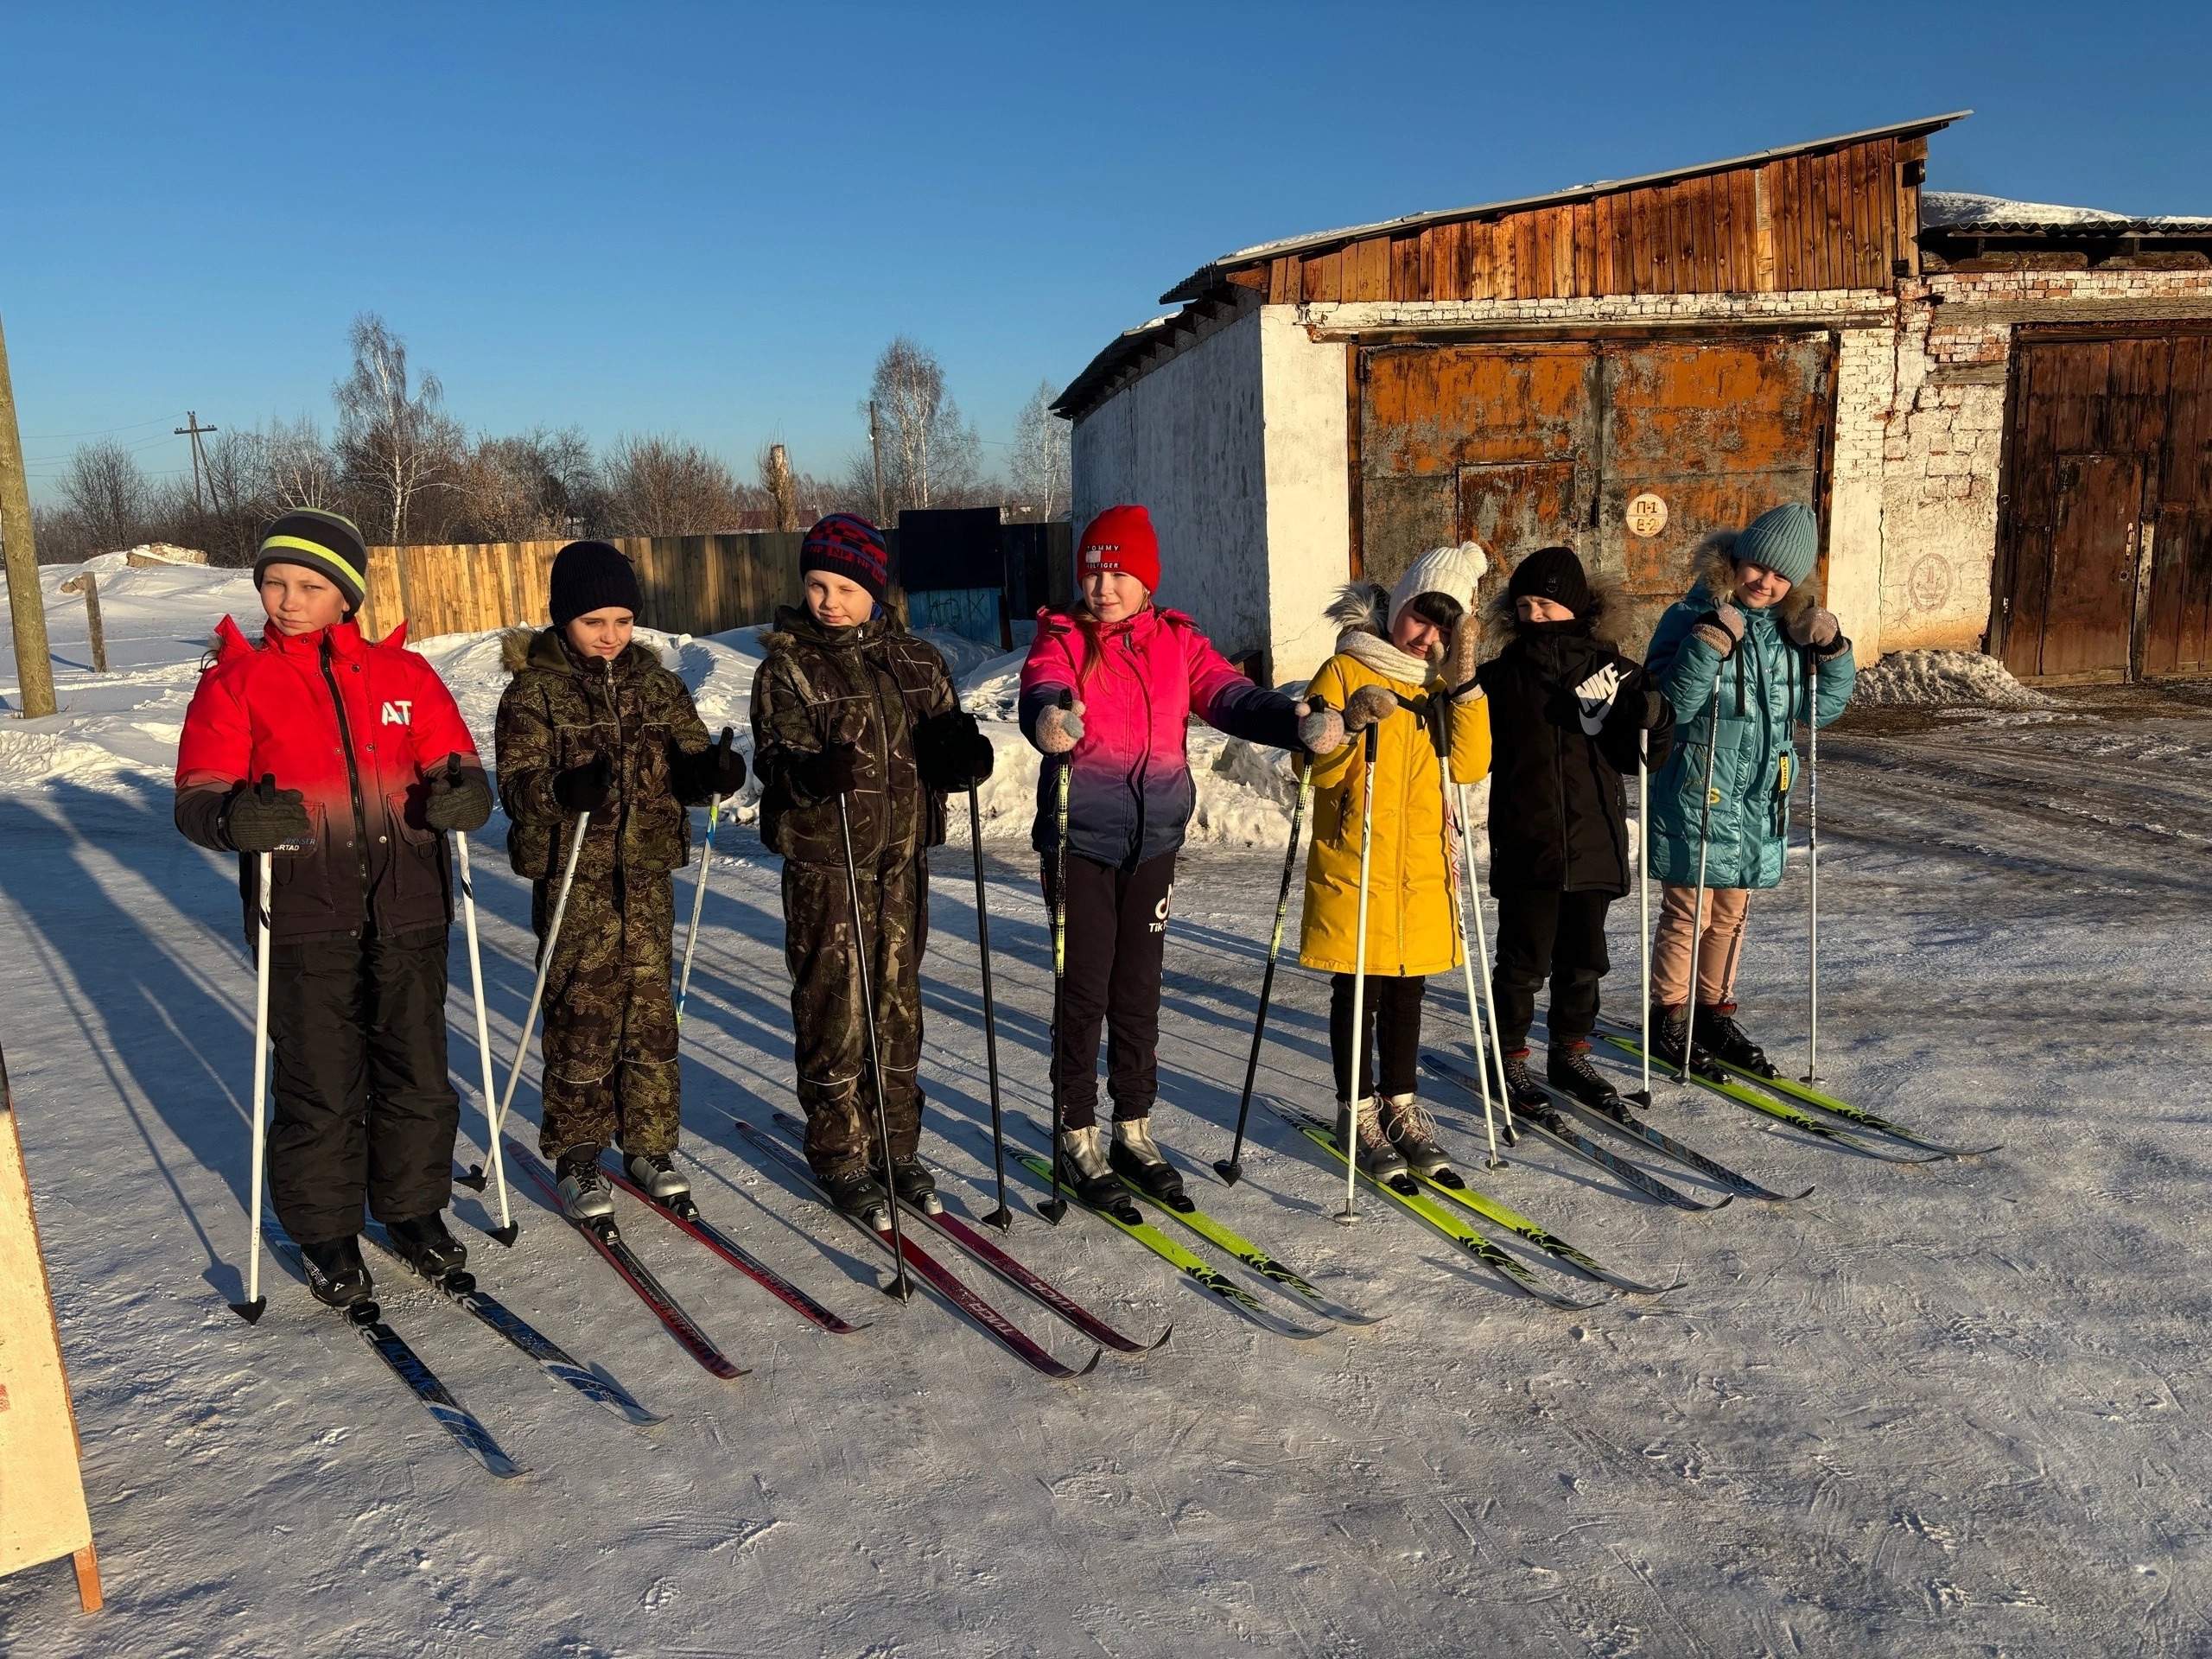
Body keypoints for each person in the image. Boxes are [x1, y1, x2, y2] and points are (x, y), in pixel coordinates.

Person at [175, 510, 492, 1306]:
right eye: (274, 583)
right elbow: (197, 795)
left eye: (310, 586)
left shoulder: (405, 677)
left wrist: (463, 794)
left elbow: (456, 762)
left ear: (346, 596)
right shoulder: (238, 681)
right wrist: (232, 818)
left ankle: (414, 1210)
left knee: (416, 1069)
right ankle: (325, 1229)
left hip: (410, 904)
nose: (288, 600)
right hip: (303, 913)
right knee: (321, 1079)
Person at [1019, 504, 1311, 1208]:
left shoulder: (1176, 642)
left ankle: (1132, 1124)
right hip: (1079, 841)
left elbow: (1229, 695)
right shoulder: (1062, 636)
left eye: (1119, 572)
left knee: (1138, 992)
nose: (1103, 586)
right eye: (1093, 571)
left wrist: (1294, 722)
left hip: (1153, 843)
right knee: (1085, 991)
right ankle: (1077, 1128)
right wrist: (1050, 718)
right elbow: (1042, 686)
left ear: (1147, 577)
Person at [749, 514, 993, 1223]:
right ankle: (841, 1153)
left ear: (875, 589)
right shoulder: (787, 667)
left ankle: (897, 1145)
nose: (830, 600)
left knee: (896, 1005)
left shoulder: (916, 661)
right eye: (818, 585)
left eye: (846, 587)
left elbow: (948, 731)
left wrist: (961, 757)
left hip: (900, 864)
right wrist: (809, 772)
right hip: (828, 866)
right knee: (835, 1009)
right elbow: (775, 759)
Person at [495, 540, 746, 1222]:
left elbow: (692, 756)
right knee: (583, 1015)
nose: (610, 637)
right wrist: (562, 788)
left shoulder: (658, 686)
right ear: (563, 619)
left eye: (622, 621)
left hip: (646, 876)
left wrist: (712, 775)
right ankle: (579, 1153)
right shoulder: (534, 692)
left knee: (651, 1015)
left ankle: (650, 1143)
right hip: (576, 879)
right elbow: (517, 790)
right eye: (593, 622)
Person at [1295, 542, 1492, 1178]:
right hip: (1357, 861)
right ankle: (1356, 1111)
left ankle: (1400, 1104)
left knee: (1408, 990)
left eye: (1443, 626)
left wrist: (1466, 690)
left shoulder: (1439, 686)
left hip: (1419, 871)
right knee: (1358, 992)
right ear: (1397, 605)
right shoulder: (1344, 669)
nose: (1425, 636)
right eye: (1419, 616)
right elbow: (1315, 770)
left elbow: (1467, 765)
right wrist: (1346, 725)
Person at [1643, 503, 1854, 1074]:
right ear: (1736, 562)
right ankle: (1668, 1016)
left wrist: (1833, 653)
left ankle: (1713, 1012)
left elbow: (1823, 710)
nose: (1765, 582)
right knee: (1688, 910)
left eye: (1780, 575)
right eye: (1757, 568)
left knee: (1733, 912)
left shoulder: (1791, 633)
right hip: (1697, 785)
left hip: (1760, 793)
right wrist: (1707, 642)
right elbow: (1670, 705)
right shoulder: (1688, 615)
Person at [1475, 545, 1675, 1128]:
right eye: (1526, 604)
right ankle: (1510, 1057)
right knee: (1522, 960)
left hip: (1594, 840)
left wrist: (1653, 717)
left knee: (1584, 960)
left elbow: (1643, 758)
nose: (1536, 614)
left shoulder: (1616, 673)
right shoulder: (1503, 677)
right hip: (1527, 841)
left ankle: (1571, 1052)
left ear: (1579, 607)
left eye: (1549, 603)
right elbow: (1467, 745)